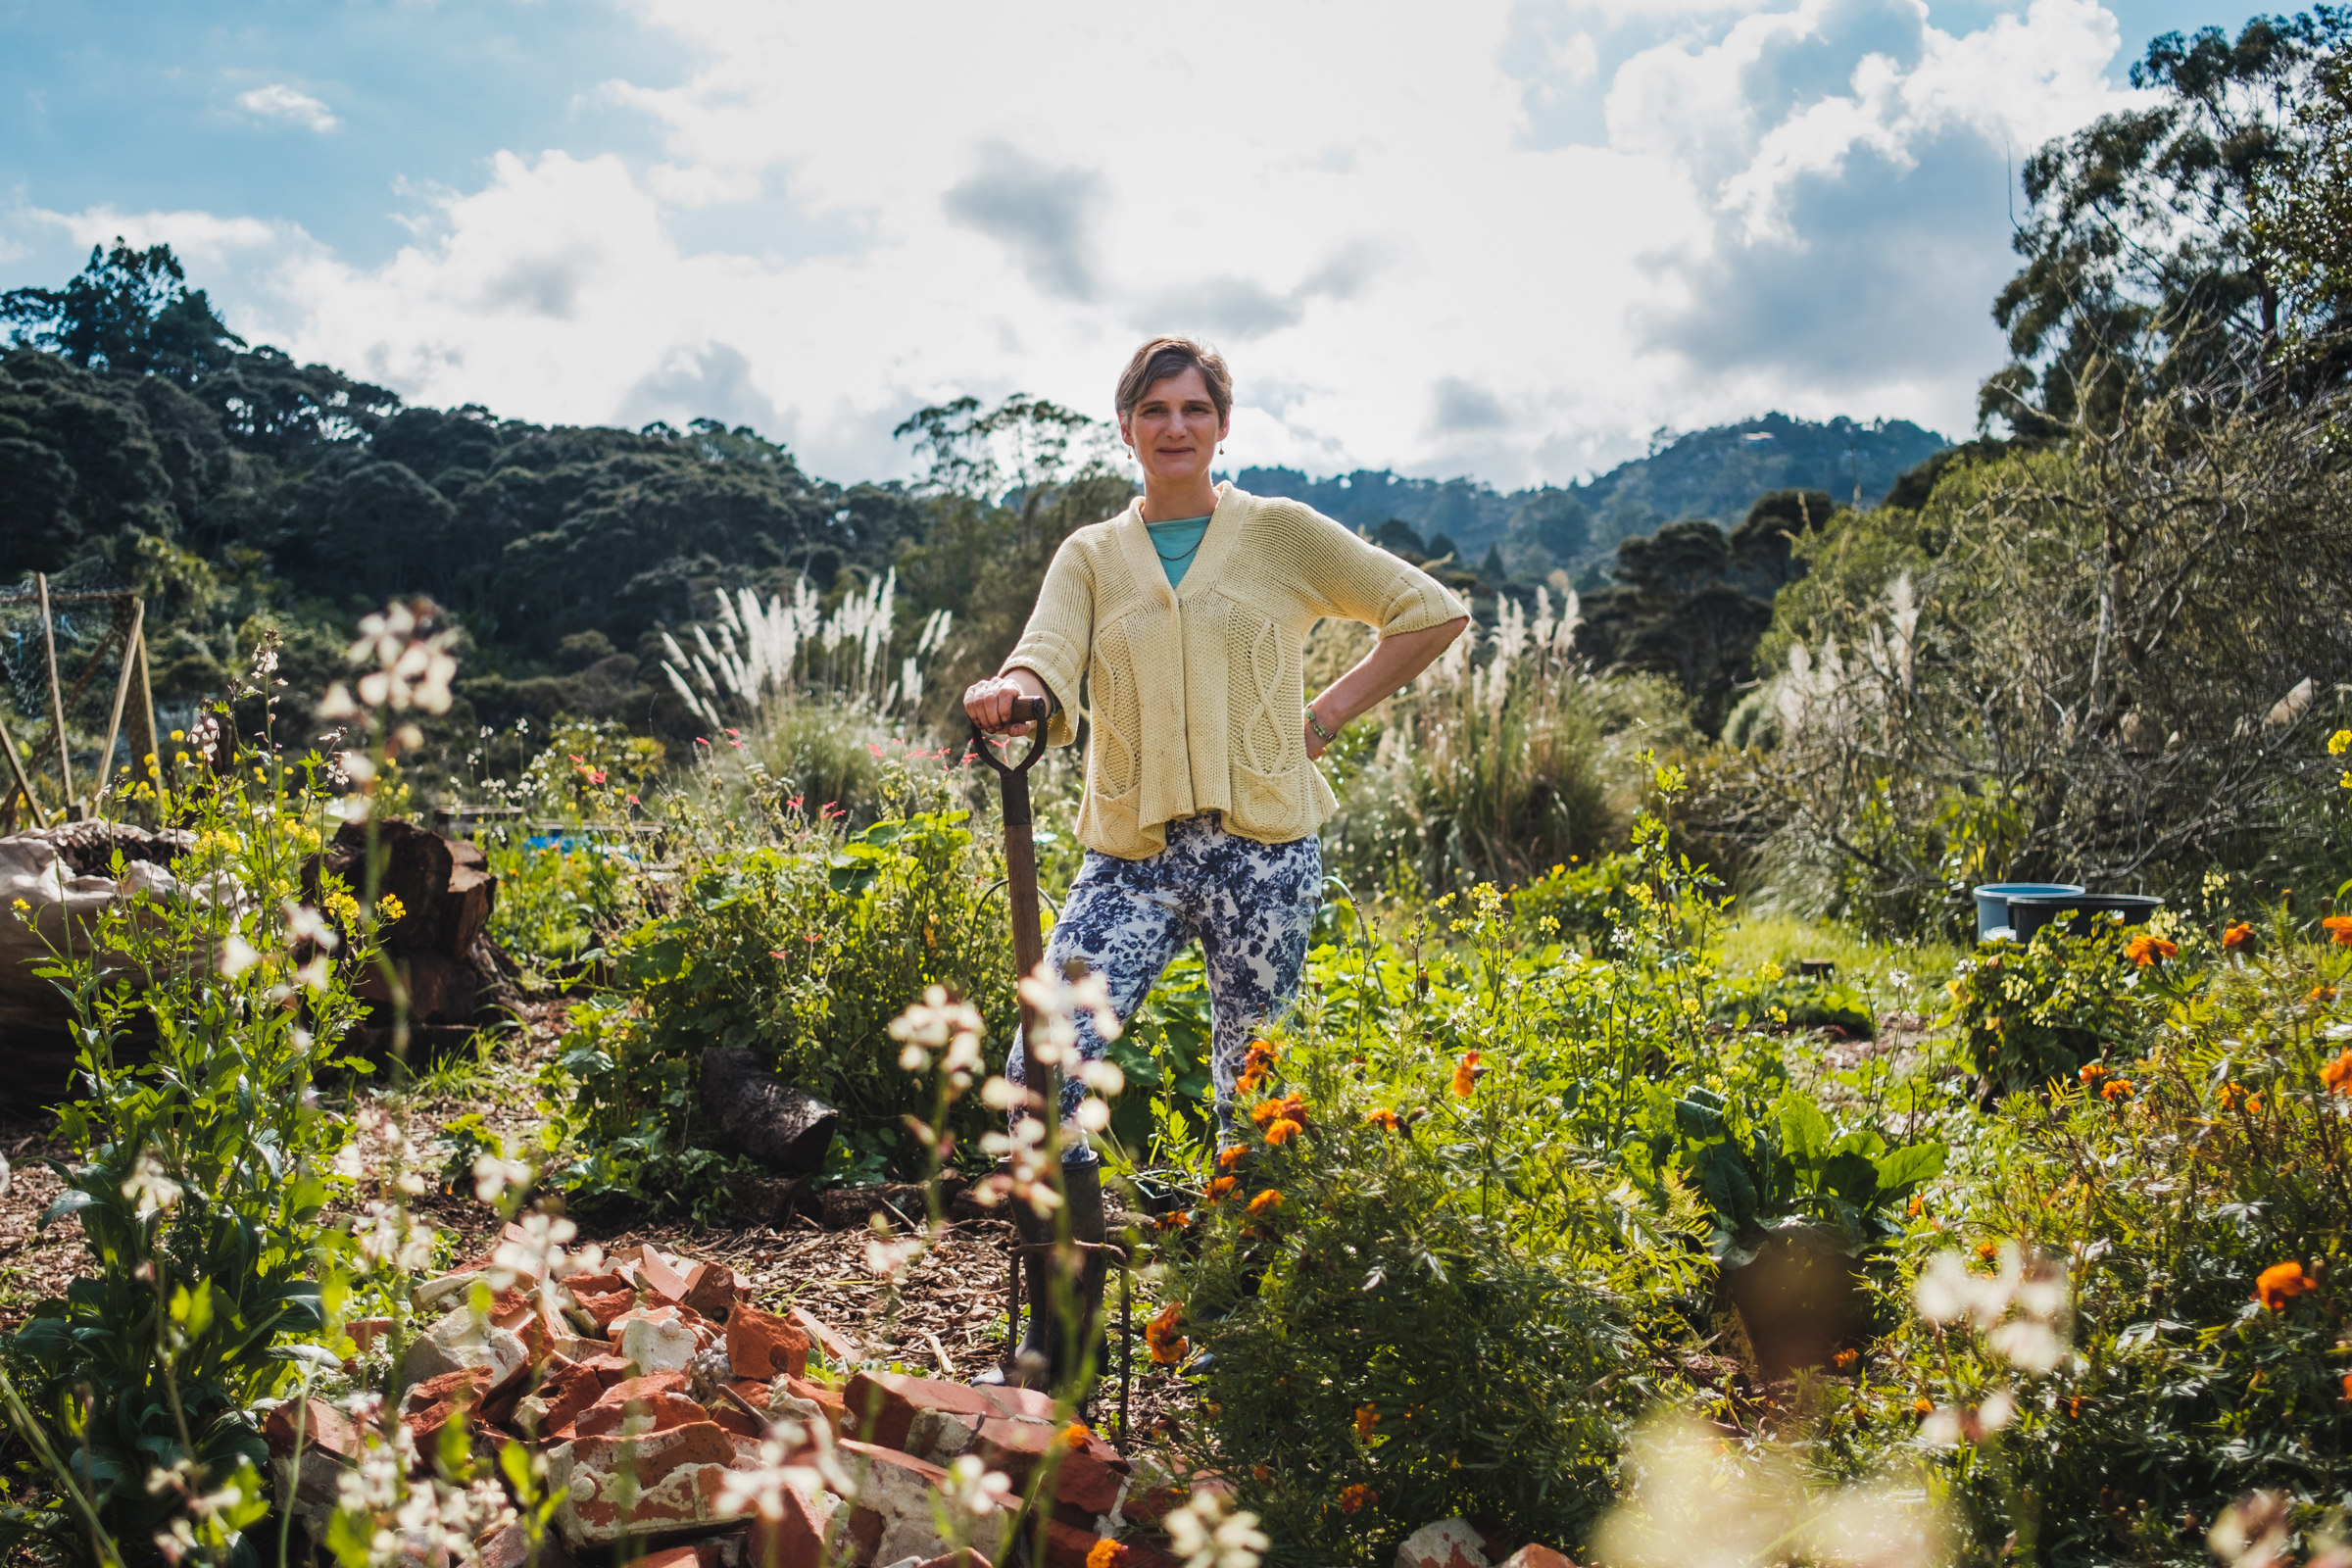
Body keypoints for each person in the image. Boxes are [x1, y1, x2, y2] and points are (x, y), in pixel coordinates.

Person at [963, 335, 1469, 1387]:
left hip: (1264, 852)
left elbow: (1427, 610)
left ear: (1223, 424)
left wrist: (1322, 715)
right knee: (1039, 1074)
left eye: (1195, 408)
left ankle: (1247, 1327)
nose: (1177, 426)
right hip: (1133, 856)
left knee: (1254, 1095)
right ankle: (1065, 1323)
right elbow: (1046, 656)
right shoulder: (1093, 556)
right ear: (1128, 428)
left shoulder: (1279, 534)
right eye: (1155, 410)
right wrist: (1013, 689)